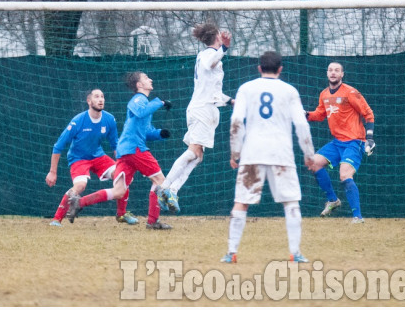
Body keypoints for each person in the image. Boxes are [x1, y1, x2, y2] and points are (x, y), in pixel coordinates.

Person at [221, 51, 315, 264]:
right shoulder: (289, 91)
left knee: (241, 202)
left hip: (252, 153)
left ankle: (231, 252)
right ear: (280, 69)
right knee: (291, 203)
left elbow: (236, 121)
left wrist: (235, 152)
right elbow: (301, 124)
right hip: (281, 154)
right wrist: (309, 154)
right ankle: (295, 253)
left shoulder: (246, 88)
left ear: (259, 68)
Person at [67, 71, 173, 230]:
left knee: (118, 191)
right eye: (146, 78)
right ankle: (152, 222)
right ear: (139, 85)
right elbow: (141, 111)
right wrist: (161, 102)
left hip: (126, 151)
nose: (150, 79)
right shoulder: (138, 99)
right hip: (135, 149)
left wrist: (159, 134)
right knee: (160, 181)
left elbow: (145, 131)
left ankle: (79, 202)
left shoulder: (144, 102)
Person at [157, 23, 234, 213]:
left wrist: (231, 101)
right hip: (202, 111)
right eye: (220, 36)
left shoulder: (206, 56)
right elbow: (211, 63)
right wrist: (224, 48)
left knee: (198, 156)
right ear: (216, 37)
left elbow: (214, 92)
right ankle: (165, 188)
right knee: (193, 151)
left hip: (203, 108)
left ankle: (173, 190)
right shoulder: (208, 55)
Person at [46, 89, 138, 227]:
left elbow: (115, 146)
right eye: (96, 97)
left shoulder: (109, 119)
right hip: (78, 158)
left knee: (122, 176)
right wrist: (52, 172)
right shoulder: (78, 121)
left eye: (102, 96)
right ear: (89, 101)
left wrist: (123, 165)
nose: (101, 99)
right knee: (80, 186)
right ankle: (56, 219)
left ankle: (121, 214)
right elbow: (58, 146)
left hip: (98, 156)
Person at [305, 62, 375, 224]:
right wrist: (306, 114)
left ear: (342, 74)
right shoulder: (324, 94)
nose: (333, 73)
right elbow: (320, 114)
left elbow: (368, 113)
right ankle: (333, 200)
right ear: (327, 73)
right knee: (313, 163)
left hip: (354, 141)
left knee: (344, 175)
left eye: (337, 70)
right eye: (330, 70)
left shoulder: (351, 92)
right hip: (337, 142)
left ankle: (357, 217)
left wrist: (369, 138)